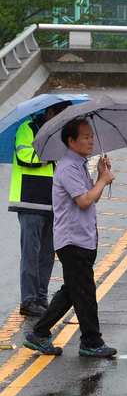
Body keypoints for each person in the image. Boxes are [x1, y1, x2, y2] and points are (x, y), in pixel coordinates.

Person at [23, 118, 117, 358]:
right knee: (85, 293)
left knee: (72, 292)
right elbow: (84, 200)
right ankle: (91, 341)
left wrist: (99, 176)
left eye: (91, 136)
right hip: (73, 241)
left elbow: (90, 197)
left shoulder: (79, 165)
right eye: (85, 137)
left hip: (83, 239)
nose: (91, 141)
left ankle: (39, 333)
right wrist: (103, 181)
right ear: (71, 141)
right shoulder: (67, 167)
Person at [10, 100, 71, 316]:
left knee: (47, 253)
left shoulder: (61, 136)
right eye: (60, 116)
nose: (63, 121)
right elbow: (25, 157)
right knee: (31, 253)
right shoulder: (27, 129)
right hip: (30, 200)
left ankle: (41, 297)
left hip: (53, 202)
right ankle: (28, 300)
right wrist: (53, 151)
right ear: (50, 112)